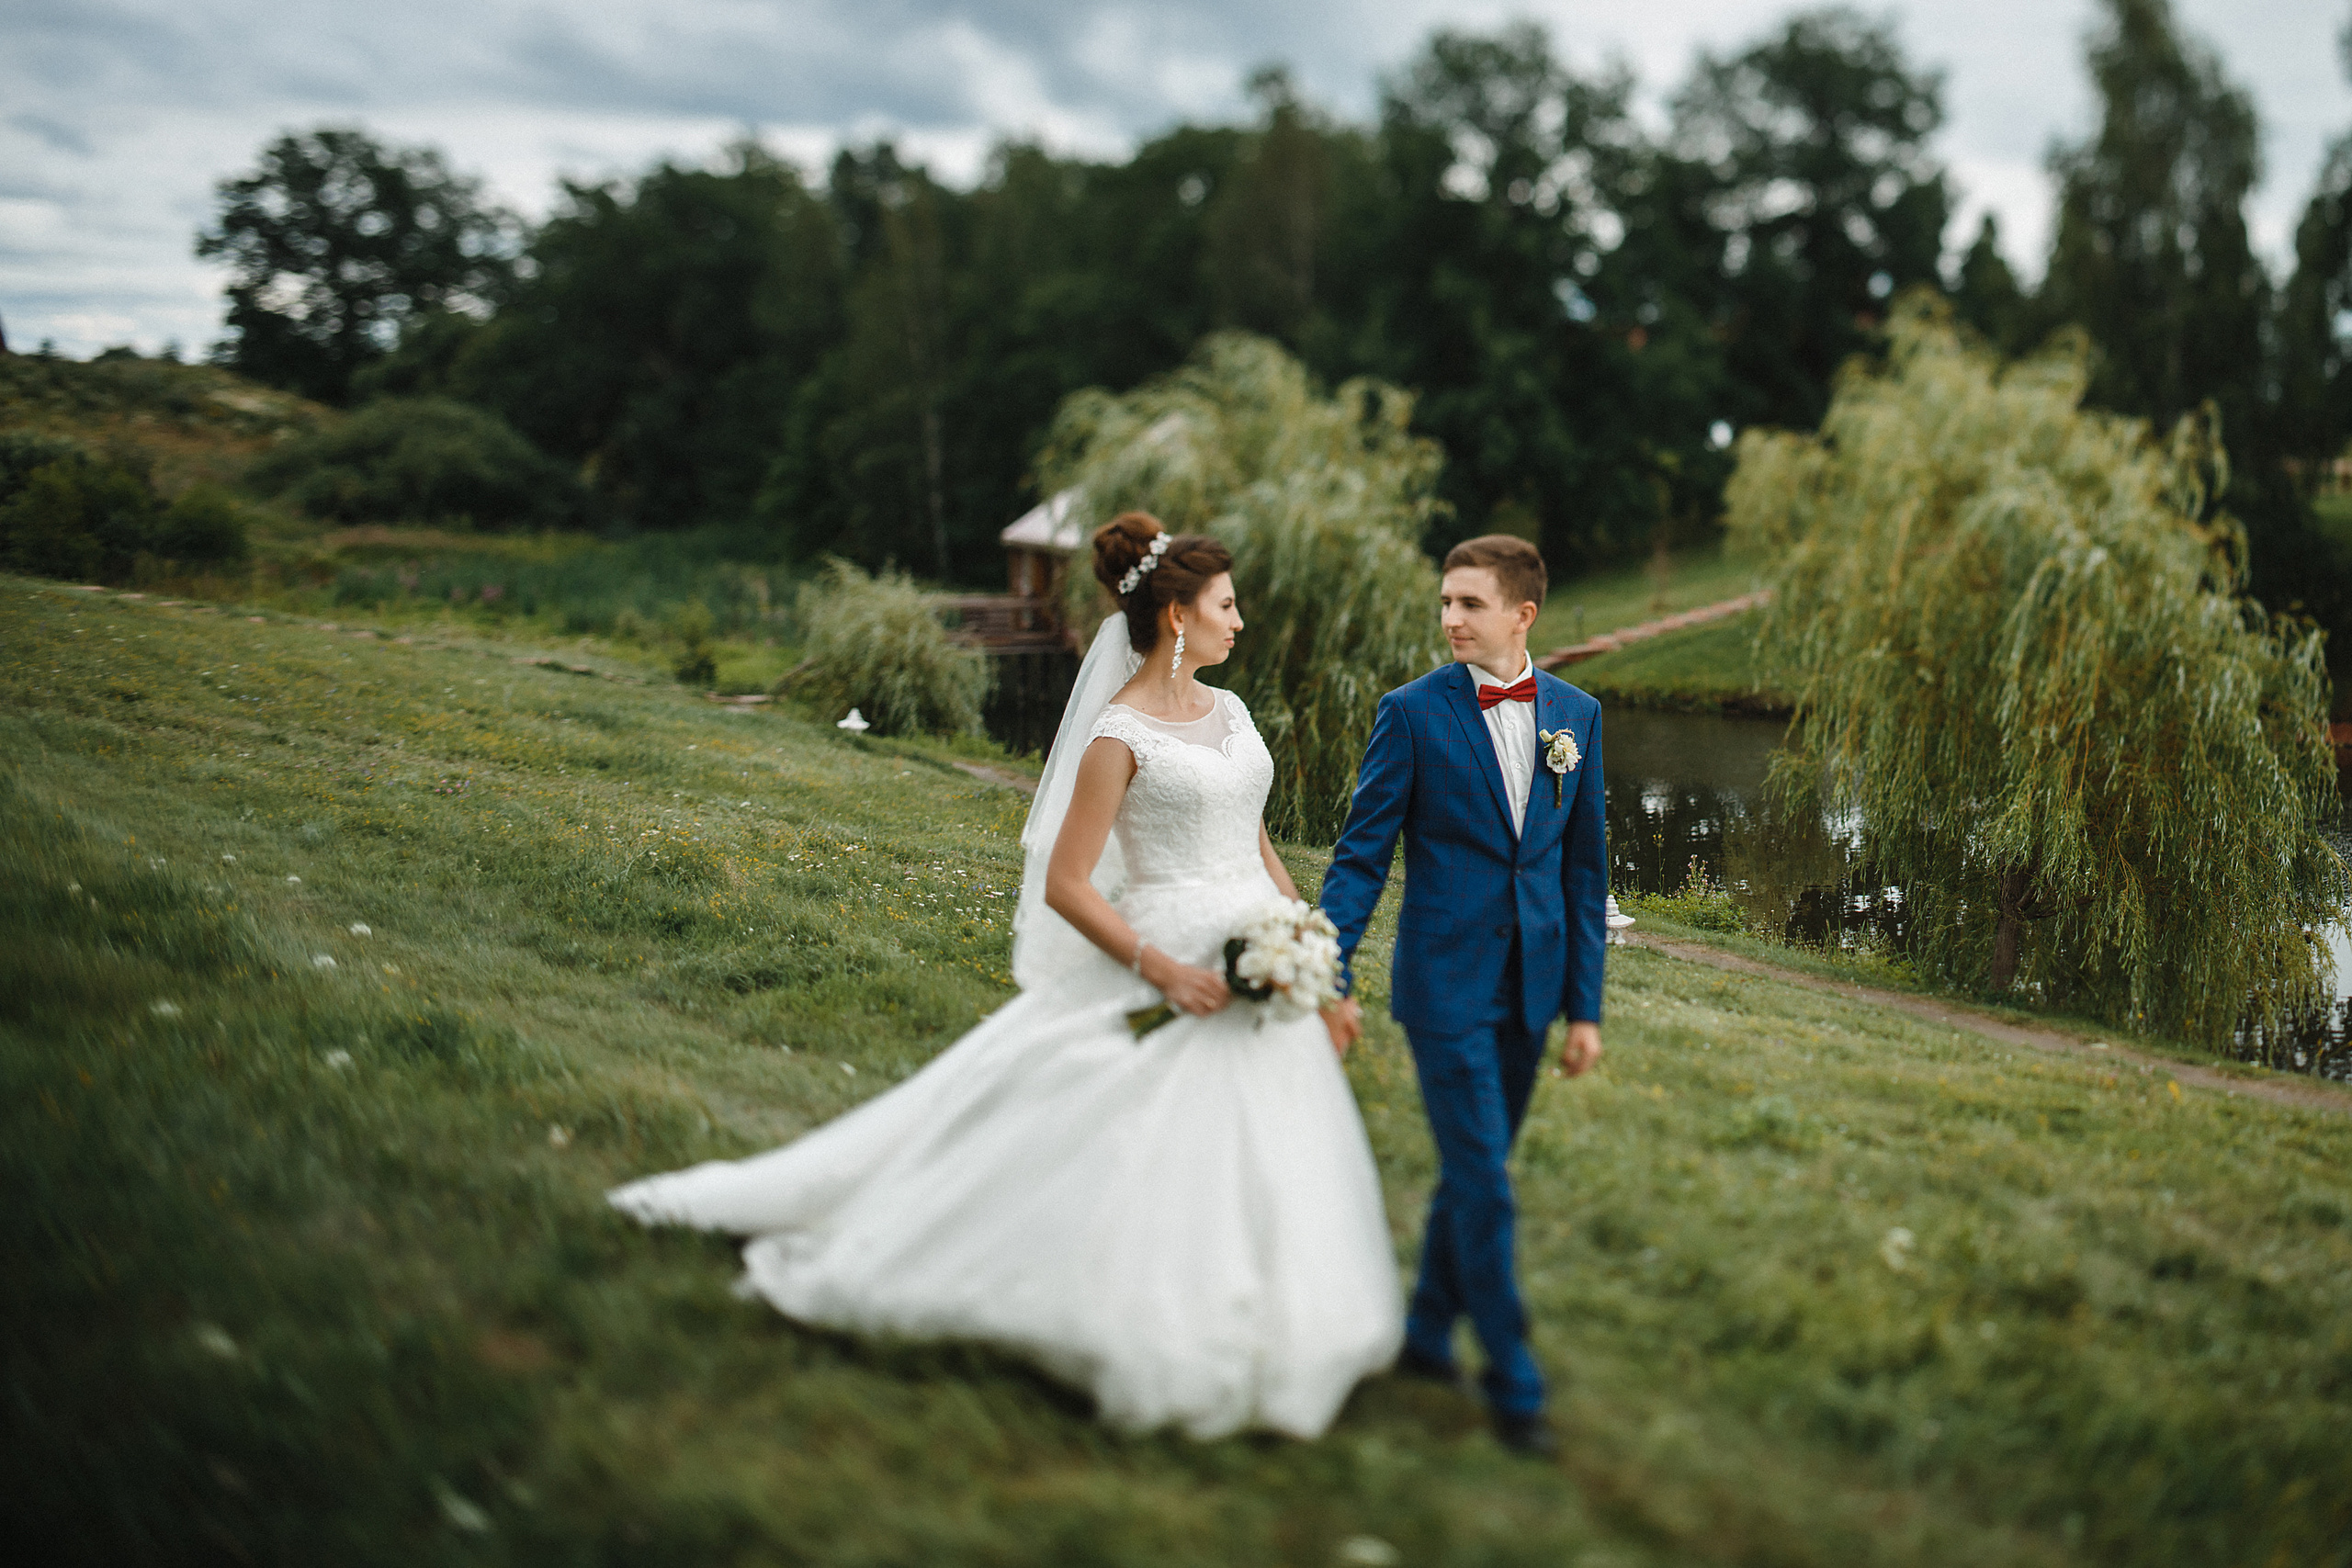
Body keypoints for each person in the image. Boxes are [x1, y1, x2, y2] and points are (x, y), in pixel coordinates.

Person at [607, 512, 1402, 1439]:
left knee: (1271, 1141)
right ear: (1177, 614)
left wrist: (1317, 966)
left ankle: (1273, 1306)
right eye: (1227, 605)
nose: (1241, 620)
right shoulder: (1118, 733)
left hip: (1264, 952)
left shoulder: (1232, 713)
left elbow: (1258, 846)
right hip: (1167, 956)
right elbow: (1068, 884)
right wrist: (1158, 969)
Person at [1317, 534, 1608, 1458]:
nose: (1450, 618)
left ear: (1523, 614)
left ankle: (1426, 1332)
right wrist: (1328, 969)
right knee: (1486, 1181)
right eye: (1445, 601)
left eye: (1469, 603)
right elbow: (1361, 857)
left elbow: (1583, 873)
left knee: (1472, 1173)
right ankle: (1515, 1382)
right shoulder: (1410, 714)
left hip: (1533, 988)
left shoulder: (1577, 718)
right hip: (1443, 986)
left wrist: (1585, 1008)